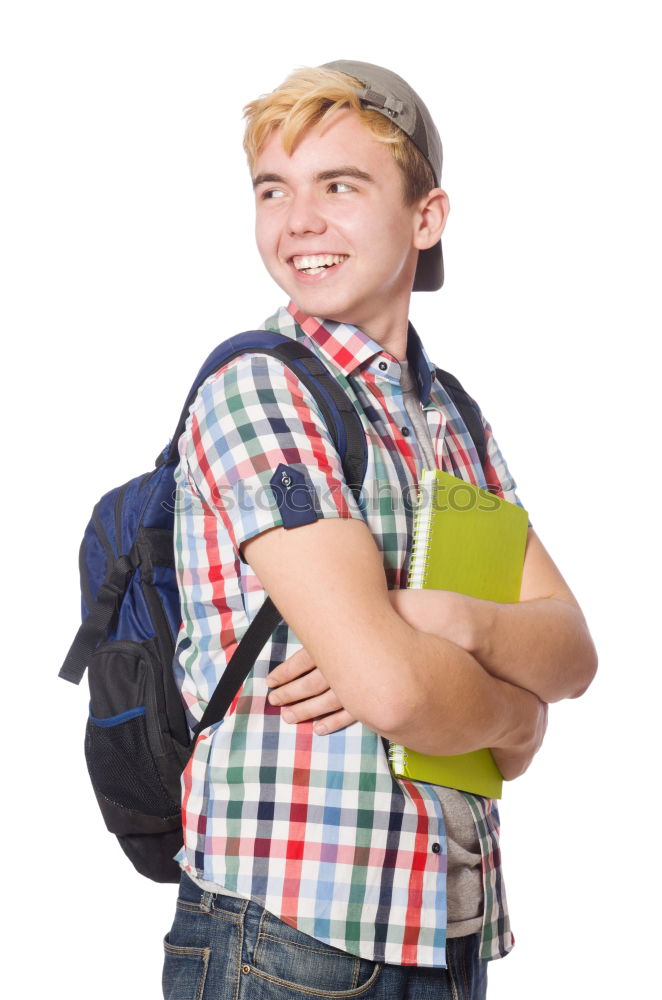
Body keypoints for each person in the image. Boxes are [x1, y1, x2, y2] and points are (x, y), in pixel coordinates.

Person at [162, 60, 597, 999]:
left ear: (426, 217)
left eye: (340, 186)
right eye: (273, 191)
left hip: (448, 931)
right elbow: (396, 692)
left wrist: (447, 619)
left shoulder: (449, 417)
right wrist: (516, 717)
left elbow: (571, 651)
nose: (298, 223)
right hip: (290, 939)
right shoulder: (262, 387)